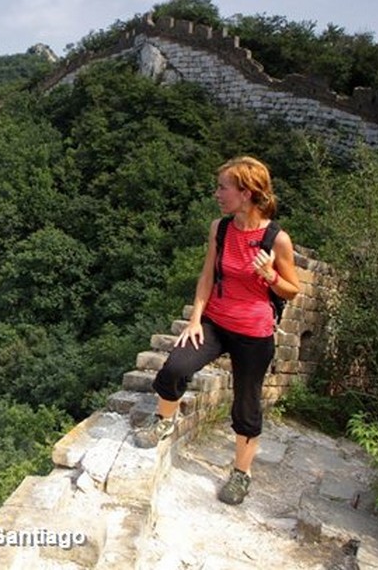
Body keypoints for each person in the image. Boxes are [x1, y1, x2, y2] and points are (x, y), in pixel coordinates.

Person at [133, 156, 300, 506]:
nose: (217, 193)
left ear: (246, 192)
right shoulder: (220, 229)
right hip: (216, 322)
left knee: (246, 403)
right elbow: (207, 275)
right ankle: (165, 421)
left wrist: (270, 275)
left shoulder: (276, 238)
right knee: (175, 367)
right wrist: (195, 319)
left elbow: (292, 289)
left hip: (254, 332)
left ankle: (241, 474)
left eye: (223, 187)